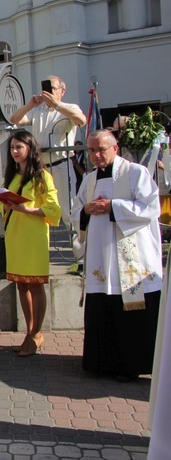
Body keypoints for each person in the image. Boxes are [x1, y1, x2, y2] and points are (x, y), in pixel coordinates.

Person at [71, 129, 162, 381]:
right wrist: (86, 210)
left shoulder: (135, 173)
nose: (96, 155)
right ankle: (101, 362)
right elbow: (76, 210)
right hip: (101, 257)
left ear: (115, 148)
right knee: (103, 305)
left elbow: (151, 207)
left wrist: (113, 206)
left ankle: (130, 364)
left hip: (131, 258)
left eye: (101, 149)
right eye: (91, 150)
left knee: (130, 309)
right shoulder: (89, 180)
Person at [9, 75, 87, 263]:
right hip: (40, 168)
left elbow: (81, 120)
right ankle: (38, 255)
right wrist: (30, 105)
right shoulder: (38, 111)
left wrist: (58, 106)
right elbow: (14, 119)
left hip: (61, 165)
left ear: (62, 90)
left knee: (68, 210)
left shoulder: (69, 108)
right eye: (46, 88)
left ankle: (81, 258)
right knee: (36, 208)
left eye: (52, 88)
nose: (48, 92)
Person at [0, 131, 62, 357]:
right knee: (21, 285)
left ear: (30, 148)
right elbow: (4, 207)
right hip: (15, 236)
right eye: (12, 148)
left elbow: (54, 210)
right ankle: (29, 332)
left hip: (33, 236)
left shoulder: (42, 176)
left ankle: (37, 333)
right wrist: (4, 203)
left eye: (19, 147)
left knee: (35, 284)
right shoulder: (13, 176)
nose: (15, 151)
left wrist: (28, 209)